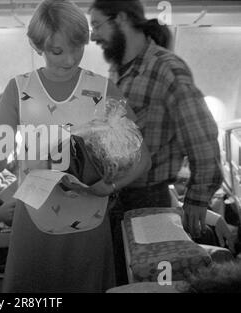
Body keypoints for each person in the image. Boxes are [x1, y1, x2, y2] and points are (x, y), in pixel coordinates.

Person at [0, 0, 151, 292]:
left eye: (78, 48)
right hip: (35, 220)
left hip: (89, 216)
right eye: (57, 51)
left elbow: (142, 159)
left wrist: (109, 187)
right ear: (36, 45)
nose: (69, 59)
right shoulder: (17, 89)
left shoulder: (104, 90)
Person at [89, 0, 223, 284]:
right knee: (120, 280)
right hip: (115, 198)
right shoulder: (119, 72)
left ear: (121, 19)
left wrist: (198, 197)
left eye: (96, 25)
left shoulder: (166, 68)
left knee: (148, 286)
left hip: (147, 199)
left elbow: (200, 133)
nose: (93, 36)